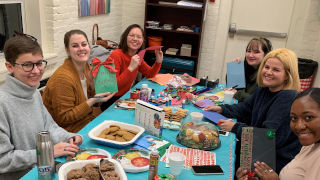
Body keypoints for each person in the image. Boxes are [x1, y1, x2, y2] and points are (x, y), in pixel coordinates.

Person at [204, 48, 301, 173]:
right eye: (267, 67)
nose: (268, 72)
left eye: (276, 70)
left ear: (288, 75)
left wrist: (235, 127)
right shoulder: (264, 89)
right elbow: (244, 108)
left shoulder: (288, 97)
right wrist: (222, 108)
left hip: (271, 163)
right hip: (256, 150)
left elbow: (268, 136)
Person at [0, 36, 82, 179]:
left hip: (44, 168)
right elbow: (3, 160)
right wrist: (47, 152)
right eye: (27, 65)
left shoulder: (33, 93)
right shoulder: (3, 103)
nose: (36, 71)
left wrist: (69, 137)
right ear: (10, 66)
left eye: (39, 63)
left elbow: (49, 127)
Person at [236, 88, 320, 180]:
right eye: (294, 118)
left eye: (308, 117)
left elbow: (267, 138)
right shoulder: (310, 145)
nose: (298, 126)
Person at [42, 30, 115, 133]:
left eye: (84, 44)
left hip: (88, 123)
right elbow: (64, 118)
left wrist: (93, 87)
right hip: (71, 134)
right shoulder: (62, 78)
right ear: (67, 50)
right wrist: (92, 100)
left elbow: (94, 106)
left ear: (89, 47)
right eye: (75, 46)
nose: (81, 49)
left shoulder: (86, 67)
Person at [100, 24, 164, 111]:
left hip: (125, 97)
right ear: (125, 37)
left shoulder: (137, 56)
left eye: (139, 37)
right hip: (110, 101)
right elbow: (113, 85)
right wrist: (130, 68)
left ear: (142, 41)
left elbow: (150, 74)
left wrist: (158, 62)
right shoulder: (116, 55)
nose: (135, 39)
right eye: (132, 35)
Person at [229, 37, 273, 102]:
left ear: (266, 54)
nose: (250, 55)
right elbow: (232, 89)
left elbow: (258, 101)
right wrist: (235, 69)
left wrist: (238, 94)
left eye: (256, 52)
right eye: (248, 51)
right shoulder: (248, 67)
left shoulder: (266, 74)